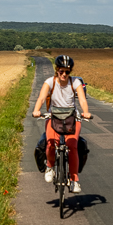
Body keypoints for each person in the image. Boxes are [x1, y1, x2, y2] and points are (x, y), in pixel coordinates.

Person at [32, 55, 92, 193]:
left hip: (71, 118)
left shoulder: (75, 82)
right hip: (54, 117)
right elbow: (41, 98)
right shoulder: (50, 82)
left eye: (67, 72)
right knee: (50, 142)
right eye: (61, 71)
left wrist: (86, 112)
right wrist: (36, 110)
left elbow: (82, 100)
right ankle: (50, 166)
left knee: (72, 145)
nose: (64, 74)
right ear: (57, 70)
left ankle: (74, 180)